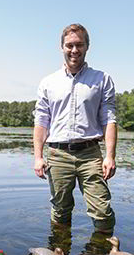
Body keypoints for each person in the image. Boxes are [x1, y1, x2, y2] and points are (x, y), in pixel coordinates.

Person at [32, 23, 117, 232]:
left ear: (87, 47)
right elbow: (41, 122)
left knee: (102, 210)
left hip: (90, 154)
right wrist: (38, 156)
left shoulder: (102, 79)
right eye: (69, 45)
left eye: (79, 45)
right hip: (57, 154)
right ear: (62, 47)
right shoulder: (48, 82)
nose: (74, 50)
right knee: (60, 209)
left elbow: (109, 119)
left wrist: (110, 156)